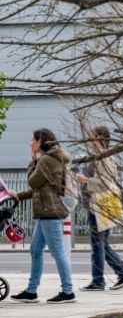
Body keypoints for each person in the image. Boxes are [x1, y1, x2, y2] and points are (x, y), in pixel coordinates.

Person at [10, 128, 76, 304]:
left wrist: (32, 160)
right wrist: (19, 195)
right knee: (35, 250)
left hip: (50, 211)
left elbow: (33, 181)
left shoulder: (46, 160)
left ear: (40, 141)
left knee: (58, 251)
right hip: (46, 211)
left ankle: (68, 291)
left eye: (33, 140)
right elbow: (38, 188)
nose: (31, 143)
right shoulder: (50, 159)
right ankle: (31, 291)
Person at [75, 126, 123, 291]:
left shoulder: (104, 158)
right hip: (97, 206)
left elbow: (105, 183)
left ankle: (99, 281)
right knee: (102, 244)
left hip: (99, 207)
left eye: (92, 137)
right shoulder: (100, 157)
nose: (89, 141)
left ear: (99, 138)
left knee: (97, 246)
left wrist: (85, 179)